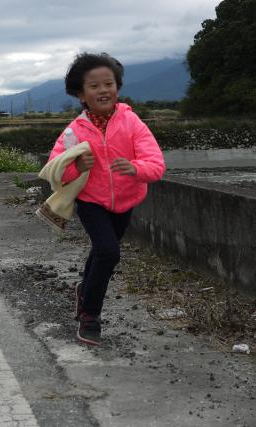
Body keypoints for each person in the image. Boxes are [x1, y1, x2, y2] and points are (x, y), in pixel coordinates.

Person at [47, 52, 165, 346]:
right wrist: (76, 166)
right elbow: (54, 169)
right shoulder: (75, 131)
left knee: (102, 251)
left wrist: (135, 168)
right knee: (109, 252)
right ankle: (90, 314)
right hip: (91, 201)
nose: (103, 90)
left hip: (126, 201)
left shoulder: (132, 122)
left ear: (118, 87)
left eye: (109, 84)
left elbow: (156, 164)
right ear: (81, 94)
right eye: (94, 86)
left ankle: (84, 289)